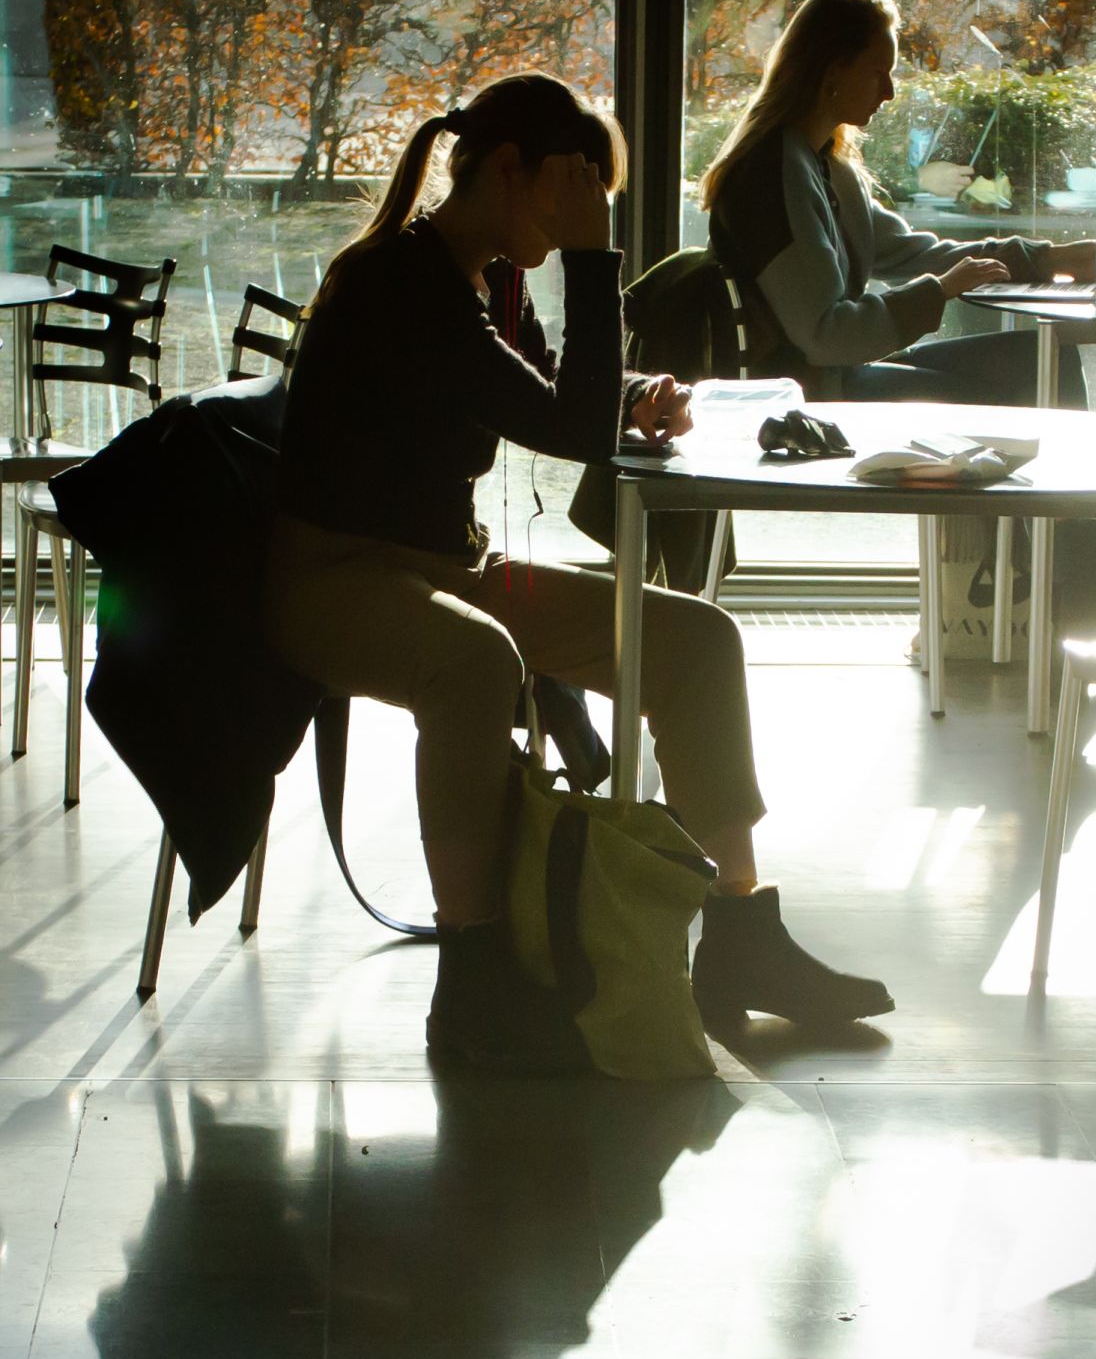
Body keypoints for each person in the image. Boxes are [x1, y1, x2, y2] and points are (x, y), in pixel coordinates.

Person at [267, 72, 891, 1073]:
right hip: (334, 581)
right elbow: (563, 423)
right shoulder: (402, 282)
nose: (575, 224)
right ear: (514, 173)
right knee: (477, 661)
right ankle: (471, 977)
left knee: (694, 640)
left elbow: (554, 394)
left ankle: (740, 937)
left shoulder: (487, 276)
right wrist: (599, 265)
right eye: (576, 194)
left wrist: (633, 391)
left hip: (447, 570)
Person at [703, 0, 1096, 634]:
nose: (888, 91)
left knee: (1032, 362)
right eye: (879, 71)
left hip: (830, 377)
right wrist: (938, 291)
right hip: (811, 397)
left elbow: (910, 248)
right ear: (833, 73)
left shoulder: (817, 163)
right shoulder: (775, 176)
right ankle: (1069, 584)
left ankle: (1070, 580)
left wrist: (1045, 258)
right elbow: (826, 338)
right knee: (1029, 377)